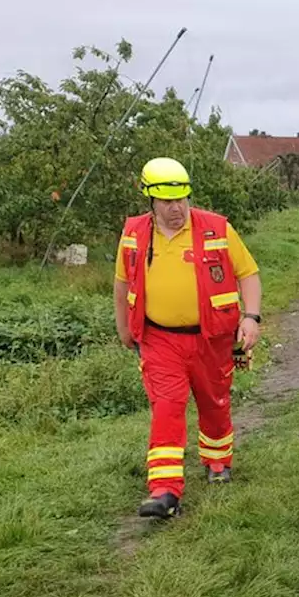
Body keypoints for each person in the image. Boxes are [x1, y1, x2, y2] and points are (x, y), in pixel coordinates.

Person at [114, 157, 262, 519]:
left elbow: (249, 274)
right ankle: (164, 490)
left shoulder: (216, 227)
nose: (176, 208)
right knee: (167, 405)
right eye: (167, 202)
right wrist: (124, 328)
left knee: (214, 403)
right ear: (150, 199)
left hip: (212, 338)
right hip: (160, 338)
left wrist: (251, 317)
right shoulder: (134, 233)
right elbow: (121, 284)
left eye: (182, 199)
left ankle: (217, 462)